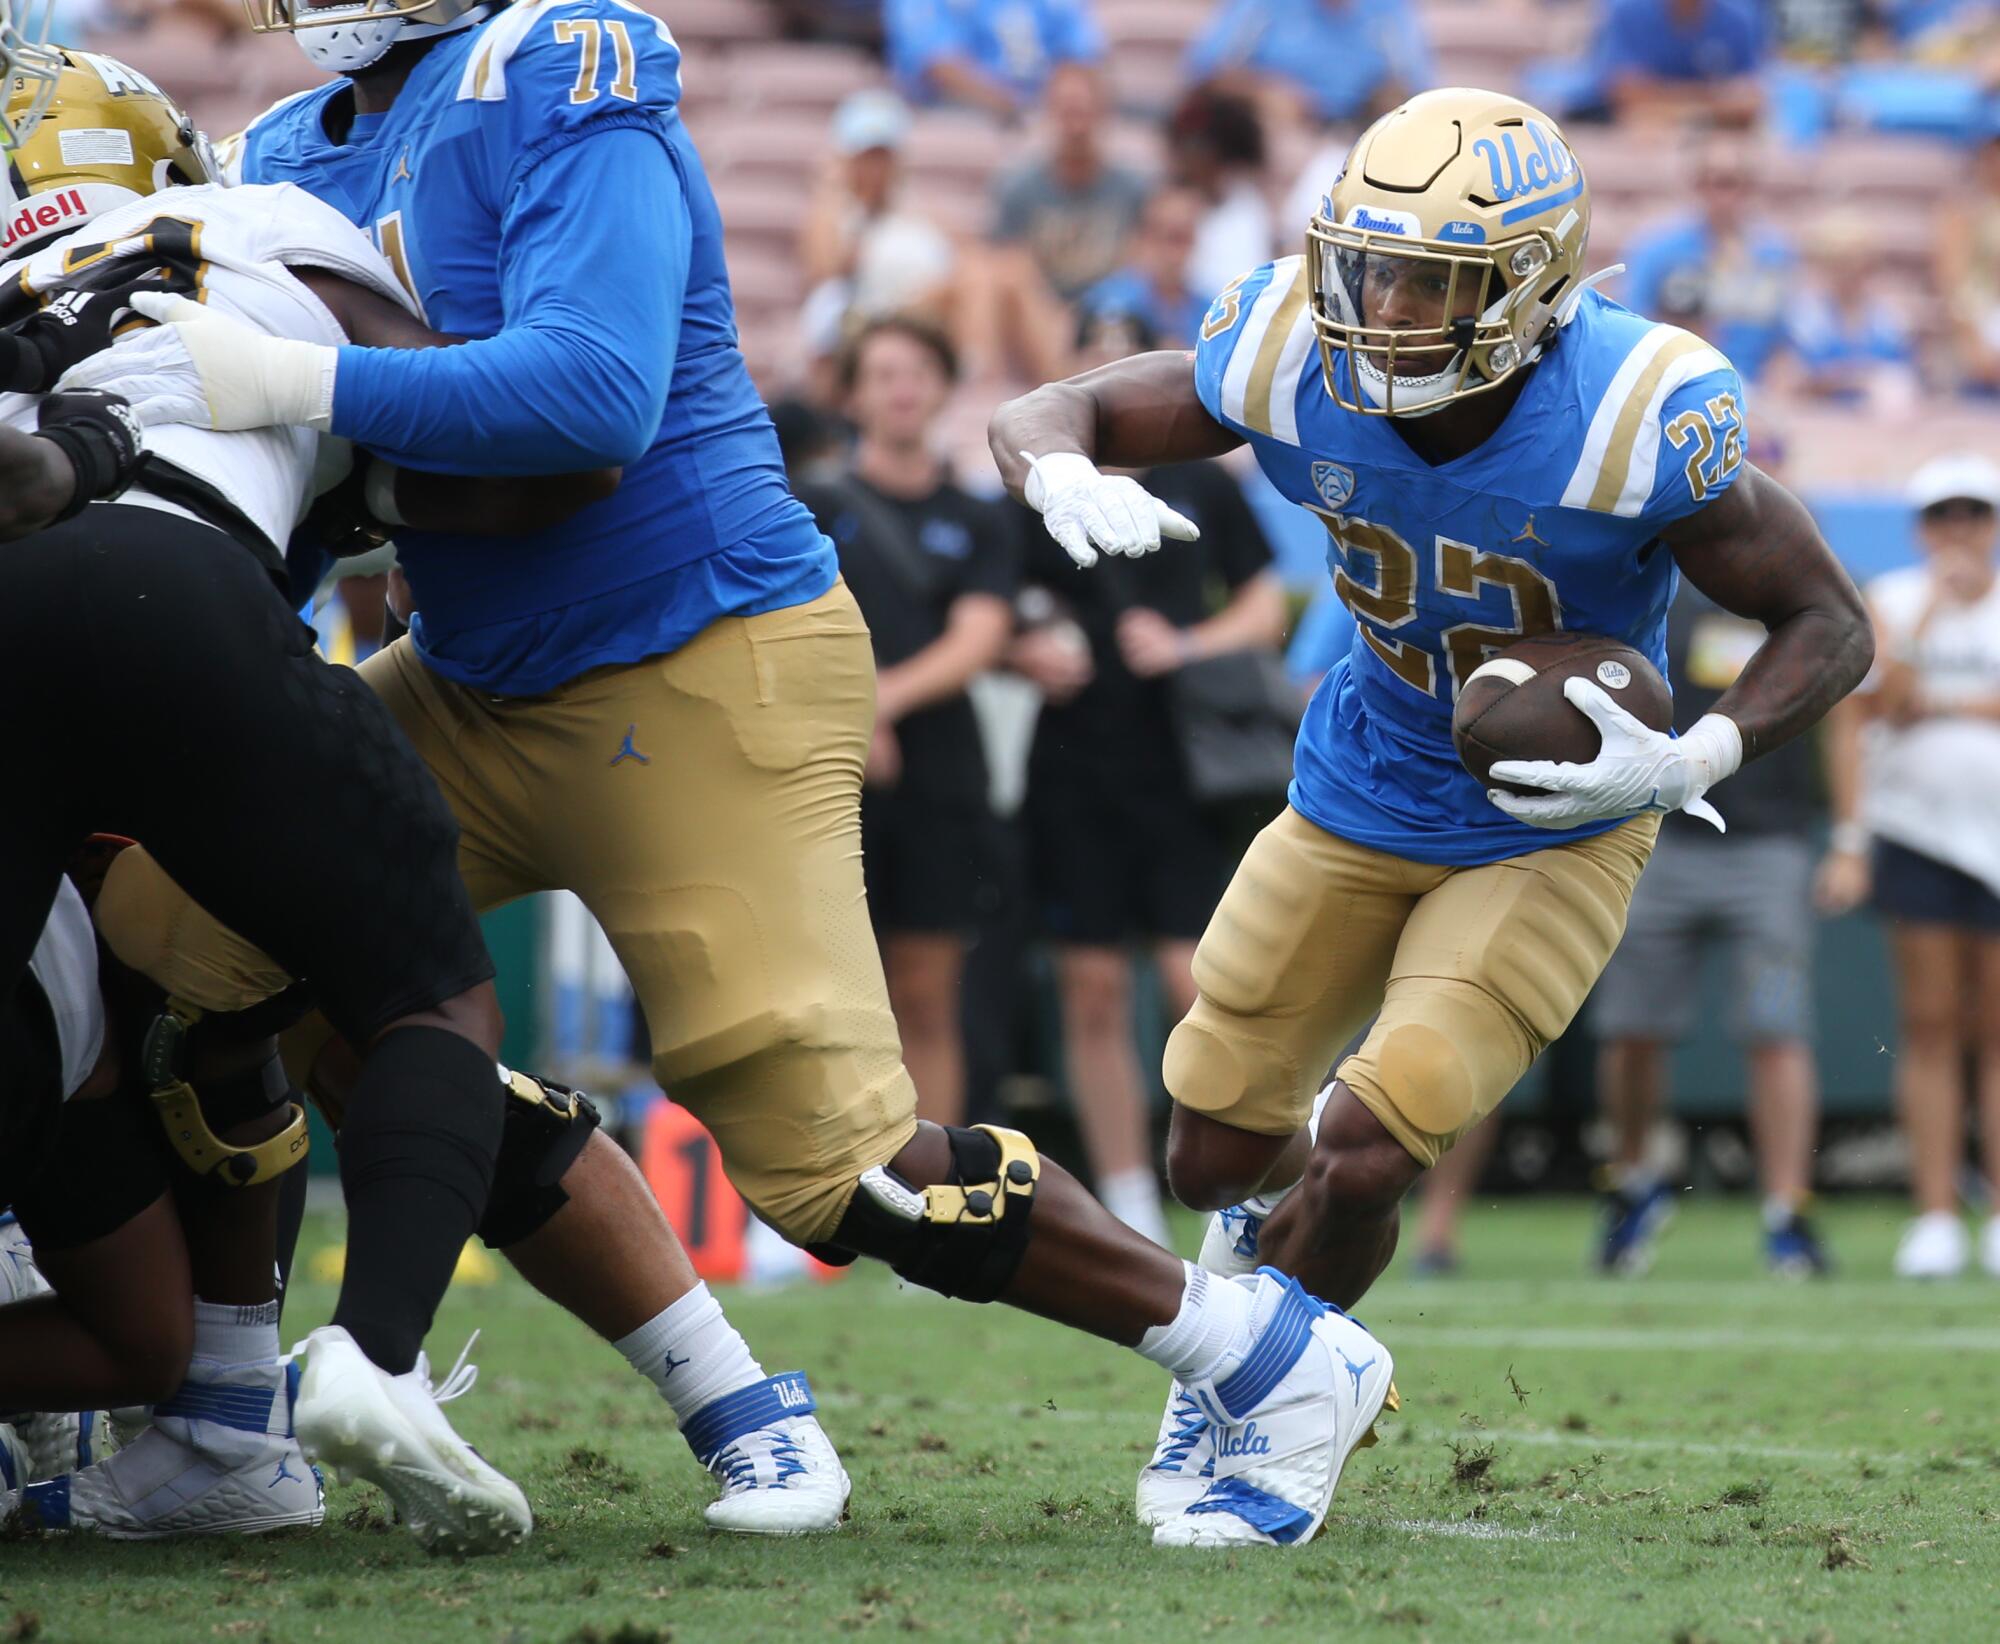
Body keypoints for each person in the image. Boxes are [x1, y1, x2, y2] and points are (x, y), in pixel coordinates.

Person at [76, 0, 1392, 1554]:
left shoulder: (559, 64)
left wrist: (296, 388)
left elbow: (591, 392)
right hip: (477, 683)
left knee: (844, 1177)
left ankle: (1266, 1353)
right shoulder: (290, 148)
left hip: (698, 658)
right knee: (183, 944)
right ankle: (244, 1423)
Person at [991, 86, 1872, 1542]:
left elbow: (1828, 621)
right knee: (1209, 1147)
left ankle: (1272, 1400)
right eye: (1367, 266)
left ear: (1530, 290)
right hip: (1356, 780)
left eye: (1431, 280)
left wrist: (1694, 752)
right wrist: (1058, 466)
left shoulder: (1635, 410)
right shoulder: (1290, 346)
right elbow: (1056, 404)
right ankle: (1270, 1308)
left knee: (1369, 1138)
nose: (1383, 305)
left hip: (1552, 816)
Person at [0, 50, 857, 1545]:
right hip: (185, 642)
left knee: (207, 996)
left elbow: (573, 423)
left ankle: (224, 1409)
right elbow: (528, 470)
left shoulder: (106, 273)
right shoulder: (256, 230)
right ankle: (272, 1392)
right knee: (387, 1001)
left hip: (137, 691)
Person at [0, 42, 538, 1552]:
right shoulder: (254, 223)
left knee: (69, 1026)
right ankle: (369, 1364)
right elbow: (502, 455)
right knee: (423, 988)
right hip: (172, 587)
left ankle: (182, 1411)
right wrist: (361, 483)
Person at [1010, 306, 1285, 1244]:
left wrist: (1184, 643)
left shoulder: (1203, 480)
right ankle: (1129, 1195)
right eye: (1091, 359)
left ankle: (1247, 1177)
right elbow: (992, 613)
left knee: (1196, 982)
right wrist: (1028, 650)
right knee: (1089, 988)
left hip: (1181, 763)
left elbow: (1265, 606)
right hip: (1074, 762)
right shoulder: (1040, 486)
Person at [1589, 435, 1833, 1278]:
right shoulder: (1661, 575)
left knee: (1777, 1026)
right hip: (1658, 838)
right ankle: (1632, 1179)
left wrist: (1850, 834)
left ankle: (1786, 1209)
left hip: (1766, 846)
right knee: (1629, 1030)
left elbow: (1846, 714)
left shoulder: (1810, 595)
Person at [796, 317, 1018, 1127]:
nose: (901, 388)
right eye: (883, 373)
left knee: (927, 991)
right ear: (852, 393)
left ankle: (934, 1199)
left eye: (918, 371)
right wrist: (851, 716)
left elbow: (981, 635)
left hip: (937, 774)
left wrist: (881, 703)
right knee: (819, 993)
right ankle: (815, 1193)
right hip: (823, 771)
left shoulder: (980, 516)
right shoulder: (806, 506)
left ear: (944, 387)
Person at [1819, 453, 2000, 1279]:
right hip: (1919, 833)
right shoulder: (1893, 599)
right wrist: (1929, 615)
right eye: (1943, 517)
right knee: (1930, 1025)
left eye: (1974, 515)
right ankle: (1934, 1213)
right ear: (1923, 528)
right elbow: (1877, 706)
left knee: (1994, 1032)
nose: (1959, 532)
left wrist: (1950, 702)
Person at [1621, 132, 1796, 382]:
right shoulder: (1658, 249)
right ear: (1696, 186)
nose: (1723, 196)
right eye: (1711, 182)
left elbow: (1784, 341)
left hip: (1754, 386)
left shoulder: (1773, 253)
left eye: (1733, 183)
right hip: (1679, 381)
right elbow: (1633, 324)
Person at [1185, 0, 1433, 131]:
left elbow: (1417, 87)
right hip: (1278, 134)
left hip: (1359, 132)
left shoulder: (1388, 7)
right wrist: (1263, 92)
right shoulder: (1263, 4)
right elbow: (1205, 73)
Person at [885, 0, 1104, 119]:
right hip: (958, 112)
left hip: (1045, 110)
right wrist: (1014, 106)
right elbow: (938, 62)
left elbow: (1083, 53)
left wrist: (1054, 103)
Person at [1596, 0, 1768, 128]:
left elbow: (1750, 101)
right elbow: (1624, 93)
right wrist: (1714, 98)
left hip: (1717, 136)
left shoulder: (1739, 19)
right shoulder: (1629, 14)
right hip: (1642, 135)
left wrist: (1661, 101)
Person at [1078, 185, 1211, 349]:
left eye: (1185, 238)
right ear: (1145, 237)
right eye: (1170, 237)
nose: (1176, 253)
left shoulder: (1209, 309)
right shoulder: (1109, 302)